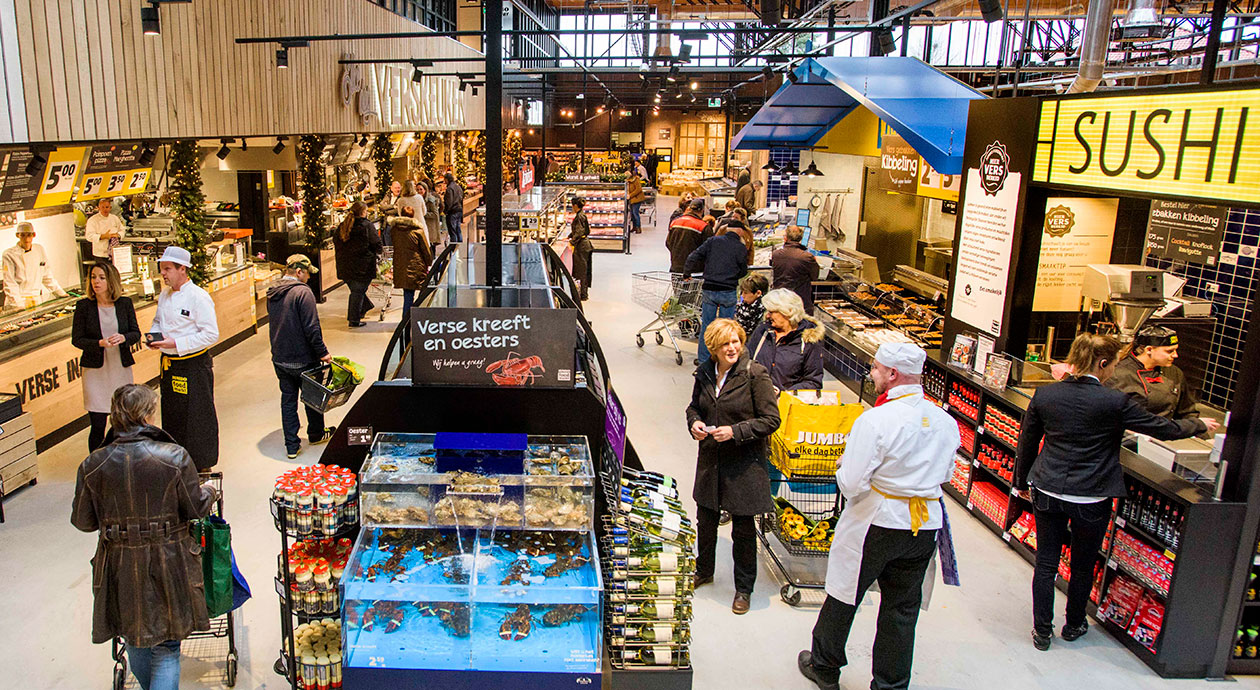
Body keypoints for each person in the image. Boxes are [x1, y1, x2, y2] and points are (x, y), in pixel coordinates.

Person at [1014, 333, 1216, 651]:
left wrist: (1021, 482)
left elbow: (1027, 441)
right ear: (1104, 363)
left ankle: (1042, 631)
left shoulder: (1045, 394)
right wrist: (1200, 426)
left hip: (1048, 488)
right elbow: (1165, 429)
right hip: (1092, 495)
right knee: (1082, 564)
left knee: (1046, 562)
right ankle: (1074, 623)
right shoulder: (1114, 402)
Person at [798, 343, 960, 690]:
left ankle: (825, 666)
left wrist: (843, 467)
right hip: (923, 525)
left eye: (874, 369)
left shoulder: (875, 420)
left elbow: (853, 483)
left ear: (892, 374)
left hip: (878, 522)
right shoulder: (946, 422)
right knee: (902, 610)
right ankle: (891, 683)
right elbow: (946, 474)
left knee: (845, 594)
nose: (870, 375)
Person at [72, 383, 218, 690]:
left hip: (119, 563)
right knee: (166, 646)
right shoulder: (173, 456)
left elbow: (83, 521)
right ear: (148, 414)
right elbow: (194, 508)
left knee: (135, 637)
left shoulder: (92, 464)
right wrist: (209, 492)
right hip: (169, 559)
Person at [685, 318, 780, 614]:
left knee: (742, 528)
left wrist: (735, 431)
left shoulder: (755, 375)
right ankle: (704, 569)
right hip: (712, 460)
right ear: (713, 347)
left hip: (743, 464)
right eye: (725, 343)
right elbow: (694, 407)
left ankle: (744, 588)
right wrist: (695, 423)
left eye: (736, 341)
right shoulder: (704, 373)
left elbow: (771, 420)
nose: (732, 348)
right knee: (706, 520)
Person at [146, 246, 219, 470]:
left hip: (193, 365)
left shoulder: (198, 297)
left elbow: (211, 334)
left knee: (197, 415)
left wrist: (177, 344)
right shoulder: (165, 295)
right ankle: (175, 459)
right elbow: (158, 321)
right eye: (162, 270)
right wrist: (154, 336)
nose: (164, 274)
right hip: (169, 366)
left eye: (168, 269)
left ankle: (201, 463)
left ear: (182, 269)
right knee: (173, 414)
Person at [268, 254, 335, 459]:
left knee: (288, 400)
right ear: (298, 272)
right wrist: (322, 352)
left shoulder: (273, 292)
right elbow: (311, 328)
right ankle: (315, 434)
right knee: (312, 396)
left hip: (280, 356)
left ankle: (291, 445)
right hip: (303, 357)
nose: (308, 278)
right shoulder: (302, 293)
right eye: (307, 274)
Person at [71, 261, 141, 451]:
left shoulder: (124, 304)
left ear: (111, 281)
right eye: (93, 277)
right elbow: (77, 340)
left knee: (123, 420)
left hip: (120, 367)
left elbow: (136, 333)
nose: (96, 282)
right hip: (95, 371)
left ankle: (123, 457)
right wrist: (99, 343)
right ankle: (96, 463)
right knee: (98, 423)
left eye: (101, 277)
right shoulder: (84, 306)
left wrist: (123, 338)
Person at [684, 219, 749, 365]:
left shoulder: (713, 241)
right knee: (727, 328)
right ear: (740, 232)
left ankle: (703, 360)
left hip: (710, 289)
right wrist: (732, 276)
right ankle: (723, 360)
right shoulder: (740, 247)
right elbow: (743, 270)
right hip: (728, 290)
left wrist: (687, 272)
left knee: (707, 326)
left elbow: (693, 256)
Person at [1106, 326, 1202, 423]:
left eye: (1175, 350)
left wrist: (1200, 433)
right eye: (1169, 351)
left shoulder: (1174, 372)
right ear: (1149, 350)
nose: (1175, 355)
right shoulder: (1118, 374)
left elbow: (1187, 412)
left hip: (1166, 432)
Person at [747, 288, 824, 392]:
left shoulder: (809, 340)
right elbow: (747, 361)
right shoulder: (763, 331)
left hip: (787, 403)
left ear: (788, 312)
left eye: (772, 312)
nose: (768, 316)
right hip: (757, 399)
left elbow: (813, 381)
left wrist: (785, 394)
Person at [334, 201, 382, 328]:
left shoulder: (343, 226)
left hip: (344, 265)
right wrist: (378, 253)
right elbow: (376, 242)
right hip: (362, 265)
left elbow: (336, 242)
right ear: (363, 212)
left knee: (357, 289)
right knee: (357, 291)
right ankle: (354, 319)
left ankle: (365, 306)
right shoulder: (367, 226)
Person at [3, 222, 68, 308]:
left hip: (36, 299)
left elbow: (47, 276)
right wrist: (18, 305)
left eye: (29, 235)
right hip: (18, 300)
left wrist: (61, 293)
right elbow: (10, 283)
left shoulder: (39, 249)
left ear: (34, 235)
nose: (26, 239)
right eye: (23, 235)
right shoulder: (9, 254)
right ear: (17, 235)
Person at [390, 206, 433, 318]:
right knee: (423, 293)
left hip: (400, 265)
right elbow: (425, 250)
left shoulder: (394, 230)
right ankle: (416, 319)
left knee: (408, 295)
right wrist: (429, 262)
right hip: (416, 265)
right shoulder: (417, 231)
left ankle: (406, 320)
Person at [772, 224, 822, 314]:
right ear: (800, 239)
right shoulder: (807, 257)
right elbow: (815, 276)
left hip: (780, 301)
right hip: (801, 303)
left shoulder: (775, 255)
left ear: (785, 238)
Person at [666, 198, 713, 273]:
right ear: (702, 210)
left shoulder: (675, 222)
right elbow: (709, 249)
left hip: (676, 267)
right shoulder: (703, 227)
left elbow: (668, 243)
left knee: (677, 284)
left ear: (689, 208)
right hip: (694, 270)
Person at [569, 197, 594, 301]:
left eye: (572, 205)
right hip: (585, 245)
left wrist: (572, 241)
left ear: (575, 205)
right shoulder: (581, 215)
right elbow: (581, 229)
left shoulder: (579, 216)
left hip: (582, 246)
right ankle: (583, 293)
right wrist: (570, 236)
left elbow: (579, 232)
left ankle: (583, 295)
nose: (571, 207)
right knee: (584, 270)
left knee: (581, 271)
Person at [734, 273, 768, 337]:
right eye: (742, 292)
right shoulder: (742, 306)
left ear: (758, 293)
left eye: (746, 293)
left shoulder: (764, 314)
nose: (742, 296)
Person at [420, 180, 443, 257]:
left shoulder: (430, 200)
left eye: (421, 189)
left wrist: (423, 214)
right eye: (417, 189)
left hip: (430, 228)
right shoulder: (417, 200)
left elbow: (435, 214)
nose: (419, 191)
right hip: (422, 228)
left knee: (430, 251)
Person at [443, 171, 465, 243]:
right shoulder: (458, 187)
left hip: (452, 211)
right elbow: (461, 197)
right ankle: (460, 246)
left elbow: (449, 202)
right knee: (458, 229)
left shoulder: (449, 189)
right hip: (459, 210)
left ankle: (454, 248)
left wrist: (445, 211)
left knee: (453, 231)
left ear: (447, 179)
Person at [627, 168, 647, 234]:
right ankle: (634, 227)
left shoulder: (636, 180)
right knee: (632, 214)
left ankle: (638, 228)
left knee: (635, 213)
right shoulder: (628, 181)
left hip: (637, 199)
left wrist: (630, 195)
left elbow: (638, 189)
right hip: (632, 199)